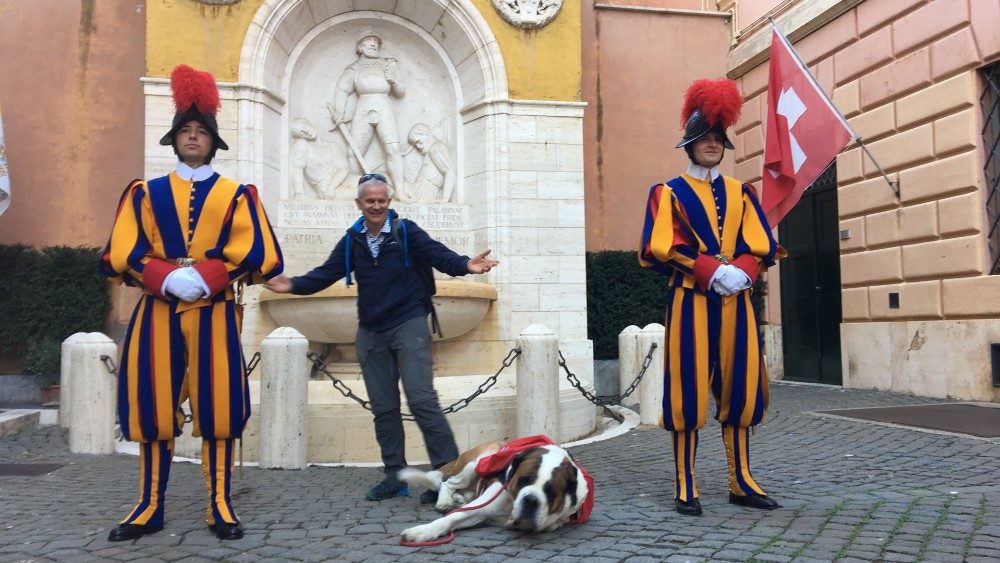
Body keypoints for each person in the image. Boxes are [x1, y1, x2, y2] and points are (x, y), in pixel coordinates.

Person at [98, 65, 284, 541]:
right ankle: (148, 506)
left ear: (213, 140)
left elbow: (257, 252)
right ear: (175, 139)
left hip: (214, 309)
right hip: (156, 310)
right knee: (152, 405)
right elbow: (122, 251)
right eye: (186, 130)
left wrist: (205, 277)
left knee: (219, 405)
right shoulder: (145, 193)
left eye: (201, 130)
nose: (194, 136)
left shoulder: (236, 195)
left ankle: (219, 503)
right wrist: (165, 277)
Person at [264, 172, 498, 502]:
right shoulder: (353, 240)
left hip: (409, 323)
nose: (376, 206)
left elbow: (438, 255)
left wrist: (465, 265)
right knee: (384, 408)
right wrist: (292, 285)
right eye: (370, 201)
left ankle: (449, 477)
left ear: (389, 201)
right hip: (371, 332)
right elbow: (327, 273)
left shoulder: (406, 232)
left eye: (382, 200)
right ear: (359, 204)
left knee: (421, 399)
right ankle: (394, 477)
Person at [638, 78, 786, 517]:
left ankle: (741, 479)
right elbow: (661, 246)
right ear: (689, 144)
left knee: (741, 387)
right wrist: (710, 270)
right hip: (690, 302)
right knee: (686, 390)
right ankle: (686, 481)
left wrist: (741, 272)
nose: (712, 144)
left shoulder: (743, 192)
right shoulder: (668, 192)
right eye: (704, 138)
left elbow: (761, 245)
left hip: (737, 303)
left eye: (719, 138)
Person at [327, 27, 406, 192]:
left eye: (376, 41)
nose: (373, 44)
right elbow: (342, 90)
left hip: (384, 106)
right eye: (368, 41)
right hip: (363, 107)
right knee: (353, 154)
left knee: (393, 149)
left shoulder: (388, 64)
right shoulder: (354, 68)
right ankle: (358, 189)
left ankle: (399, 190)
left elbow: (400, 93)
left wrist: (394, 81)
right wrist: (339, 111)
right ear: (360, 47)